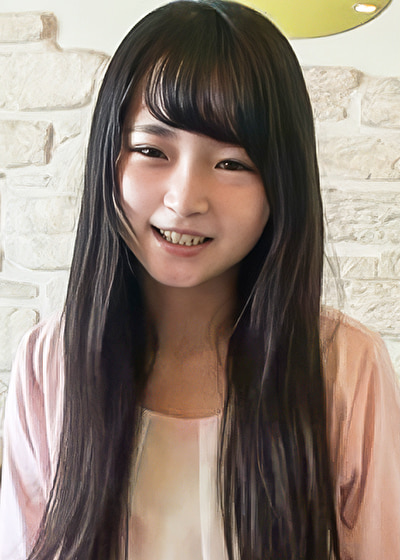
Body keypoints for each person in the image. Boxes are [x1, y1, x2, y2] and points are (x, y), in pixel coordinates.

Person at [1, 1, 400, 558]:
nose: (185, 199)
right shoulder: (50, 362)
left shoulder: (344, 365)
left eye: (232, 163)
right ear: (108, 159)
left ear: (281, 184)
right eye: (151, 151)